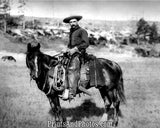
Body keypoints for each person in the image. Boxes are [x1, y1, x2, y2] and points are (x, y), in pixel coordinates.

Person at [62, 15, 90, 100]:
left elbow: (86, 44)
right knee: (61, 64)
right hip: (71, 53)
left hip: (80, 54)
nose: (72, 23)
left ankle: (71, 92)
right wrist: (67, 49)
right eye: (70, 22)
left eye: (74, 21)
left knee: (72, 69)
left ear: (77, 22)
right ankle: (63, 87)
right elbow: (70, 44)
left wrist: (75, 49)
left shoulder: (82, 31)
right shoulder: (71, 32)